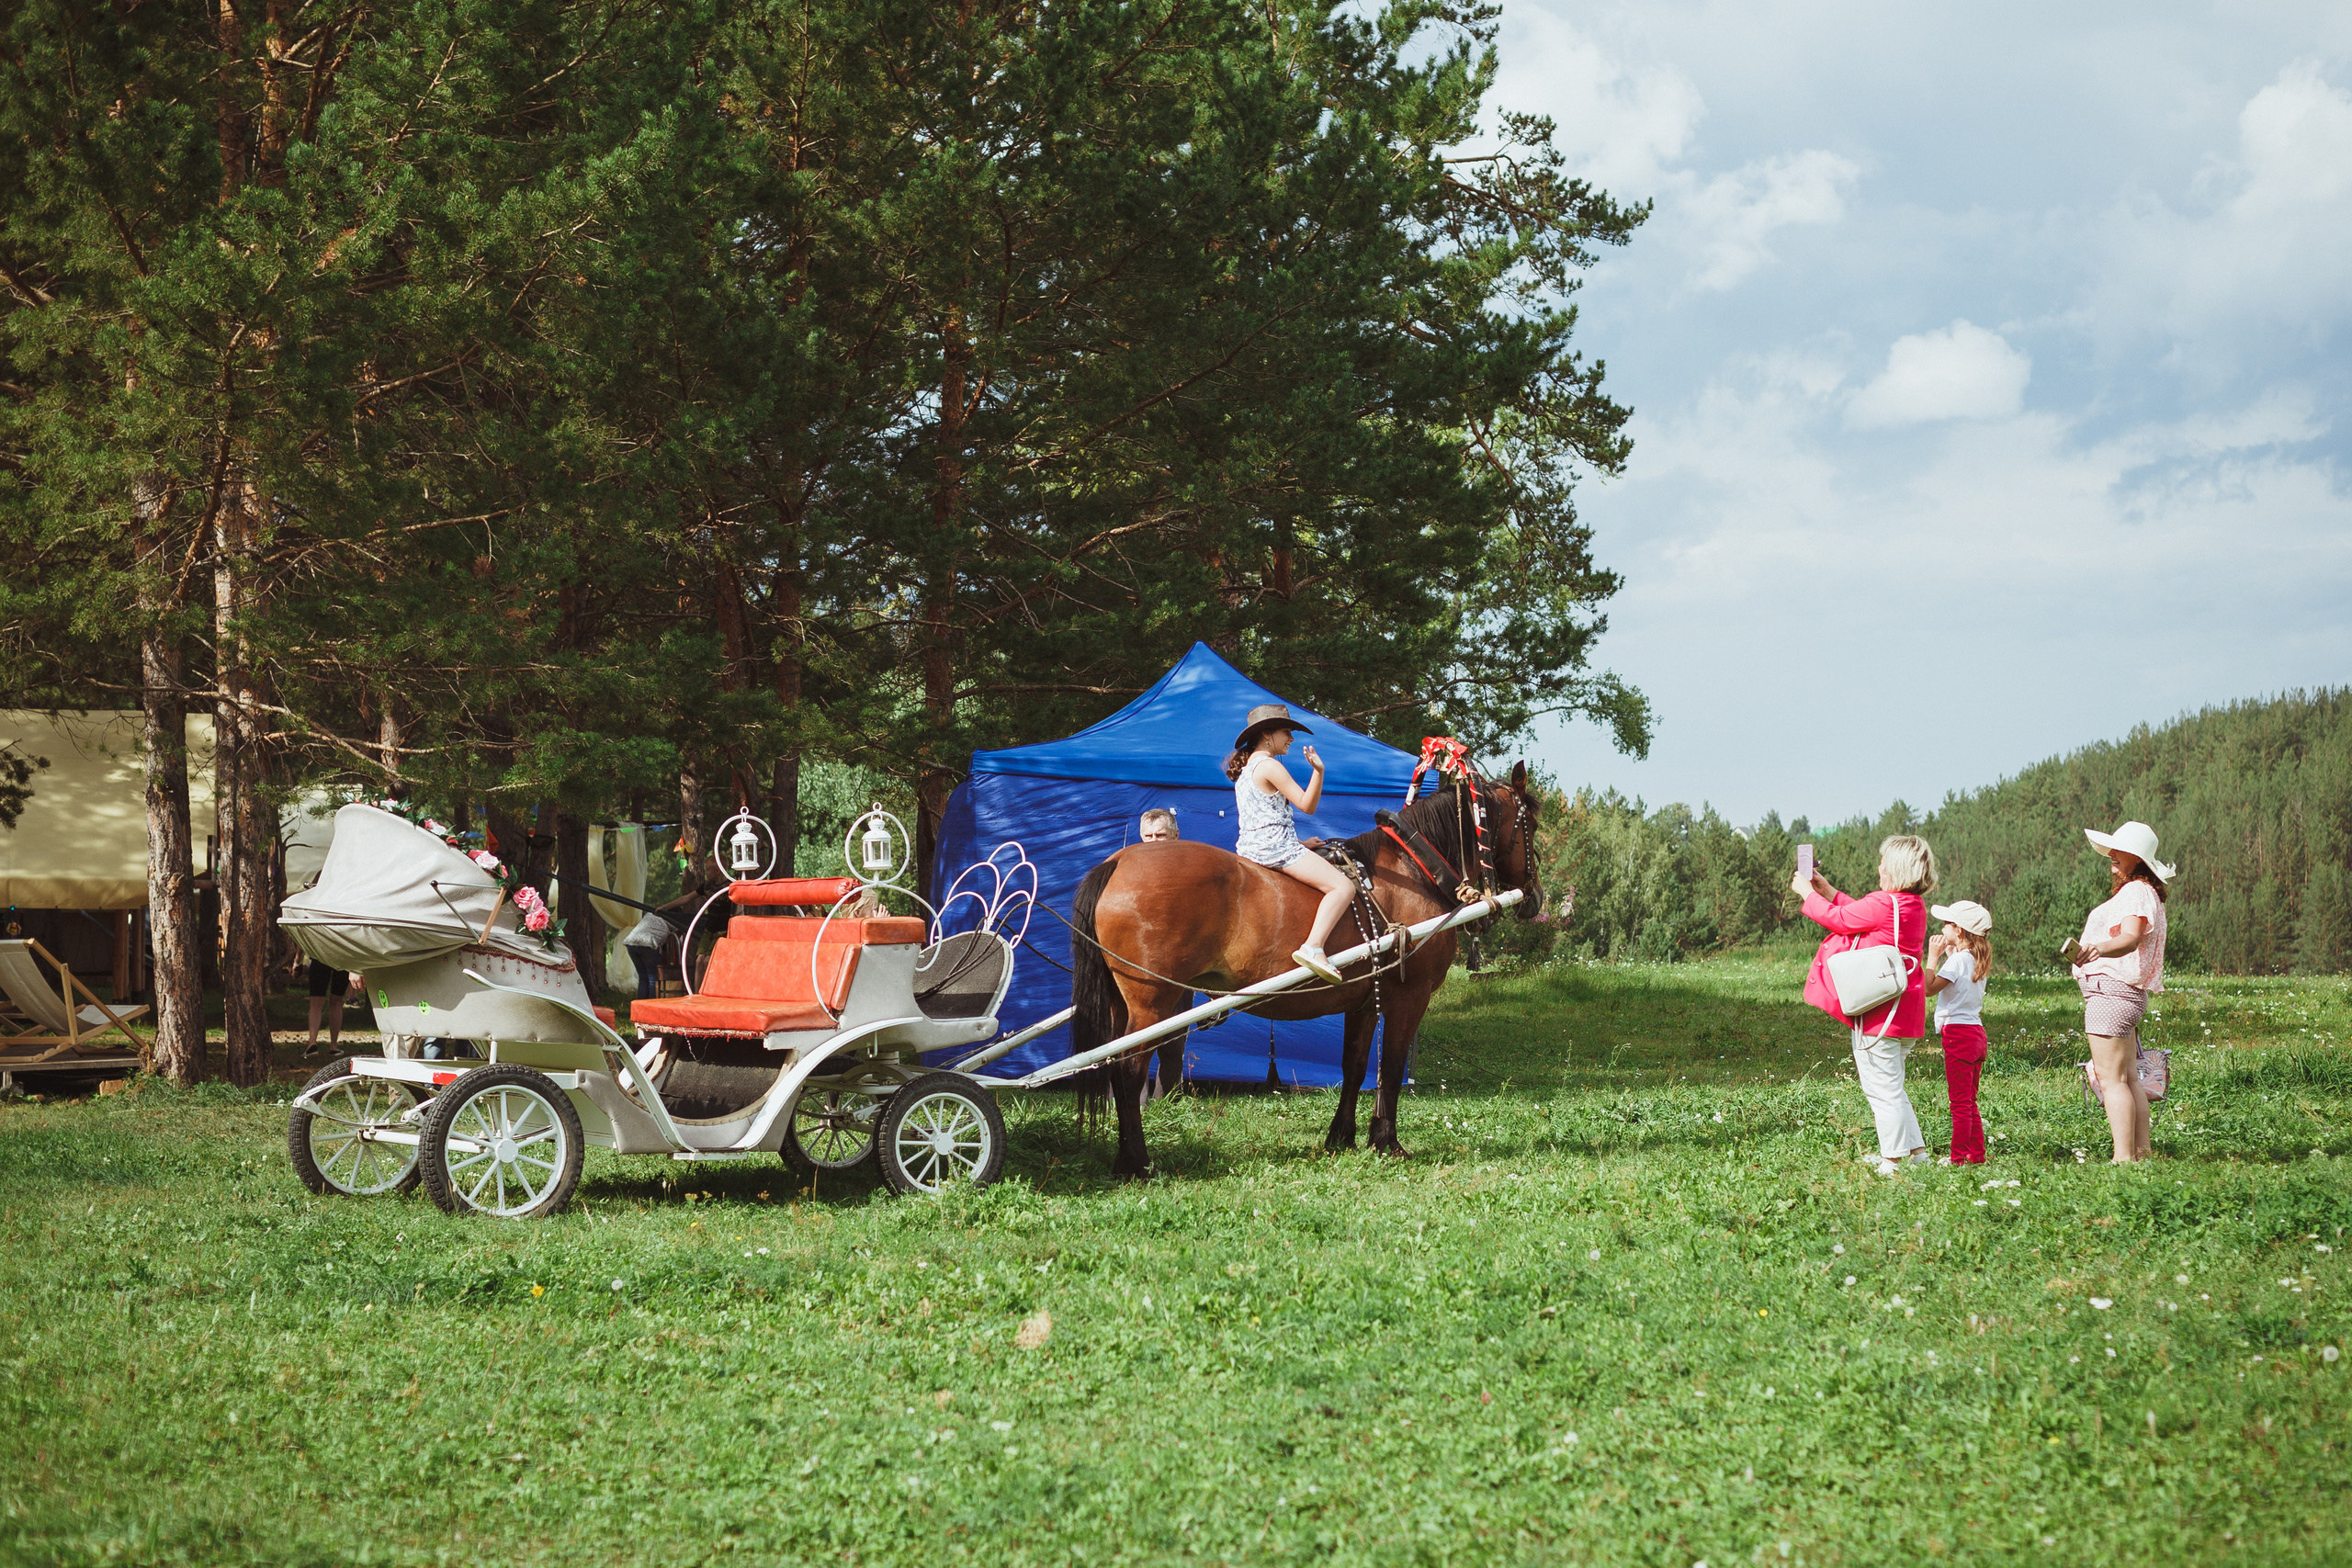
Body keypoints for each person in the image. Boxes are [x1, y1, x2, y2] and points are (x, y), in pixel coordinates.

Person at [1795, 835, 1937, 1175]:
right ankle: (1917, 1154)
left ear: (1897, 869)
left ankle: (1893, 1161)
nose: (1879, 867)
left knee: (1881, 1089)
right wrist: (1827, 891)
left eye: (1884, 862)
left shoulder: (1884, 905)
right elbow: (1858, 912)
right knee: (1894, 1087)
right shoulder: (1910, 906)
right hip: (1906, 1015)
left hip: (1881, 1017)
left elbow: (1839, 919)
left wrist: (1807, 893)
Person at [1227, 703, 1352, 983]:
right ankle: (1313, 946)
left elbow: (1261, 819)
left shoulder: (1247, 769)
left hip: (1250, 849)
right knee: (1344, 886)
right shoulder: (1269, 765)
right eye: (1287, 732)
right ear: (1267, 735)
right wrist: (1318, 772)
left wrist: (1302, 842)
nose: (1292, 739)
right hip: (1276, 850)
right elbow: (1307, 805)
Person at [2072, 819, 2171, 1164]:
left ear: (2139, 859)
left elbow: (2130, 938)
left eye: (2121, 851)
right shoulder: (2145, 892)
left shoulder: (2135, 891)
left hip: (2110, 993)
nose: (2112, 855)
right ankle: (2141, 1154)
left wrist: (2097, 949)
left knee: (2110, 1079)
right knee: (2128, 1078)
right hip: (2122, 995)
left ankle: (2122, 1158)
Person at [1925, 898, 1994, 1165]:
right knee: (1969, 1101)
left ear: (1960, 932)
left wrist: (1932, 957)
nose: (1942, 928)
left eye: (1947, 924)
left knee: (1960, 1103)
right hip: (1976, 1033)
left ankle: (1958, 1159)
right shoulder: (1975, 959)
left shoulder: (1957, 962)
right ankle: (1976, 1155)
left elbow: (1929, 988)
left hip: (1958, 1035)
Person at [303, 959, 360, 1058]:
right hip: (341, 959)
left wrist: (297, 961)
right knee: (337, 1003)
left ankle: (312, 1042)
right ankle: (333, 1046)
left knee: (315, 1003)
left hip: (319, 957)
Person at [621, 907, 674, 1001]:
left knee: (642, 977)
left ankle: (641, 1004)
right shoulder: (672, 924)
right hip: (647, 944)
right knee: (652, 977)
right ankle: (652, 1004)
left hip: (631, 943)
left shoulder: (649, 915)